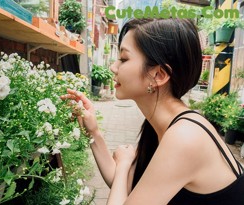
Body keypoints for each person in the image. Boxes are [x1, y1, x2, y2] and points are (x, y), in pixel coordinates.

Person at [61, 18, 244, 205]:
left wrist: (124, 164)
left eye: (124, 59)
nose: (113, 67)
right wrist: (94, 132)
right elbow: (126, 187)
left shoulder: (184, 137)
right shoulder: (162, 123)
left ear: (159, 75)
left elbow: (123, 182)